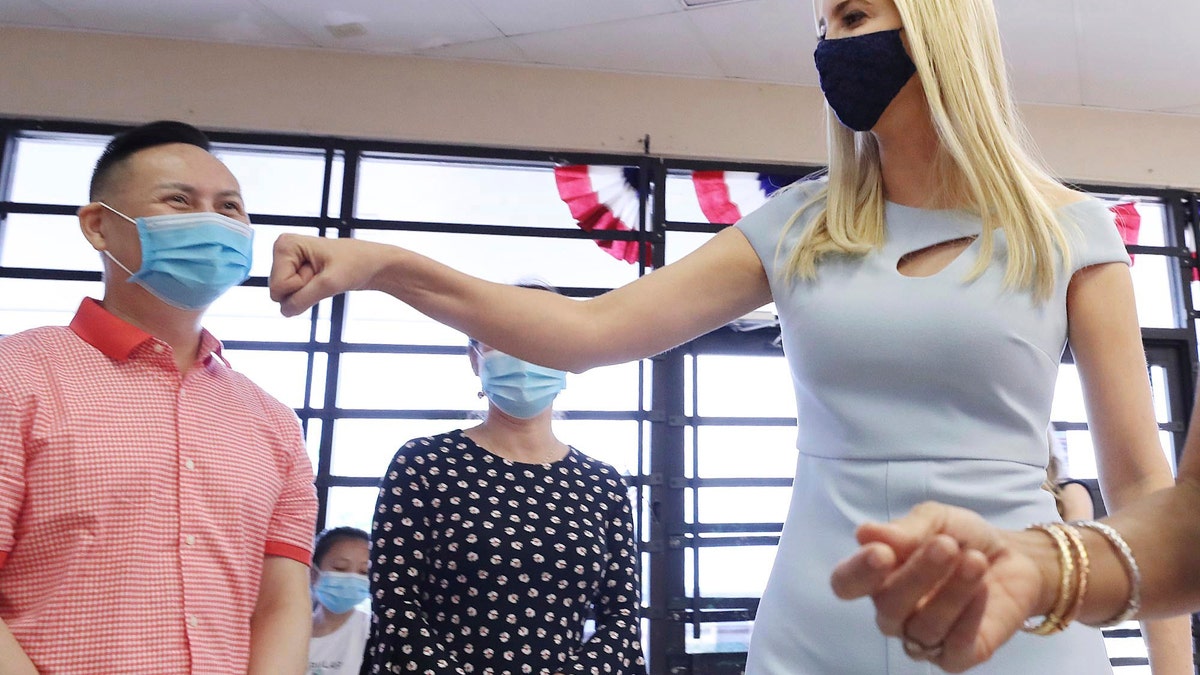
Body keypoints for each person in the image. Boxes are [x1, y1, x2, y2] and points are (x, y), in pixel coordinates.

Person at [266, 0, 1191, 672]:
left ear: (937, 28)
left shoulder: (1069, 231)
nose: (830, 44)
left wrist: (1171, 667)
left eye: (854, 16)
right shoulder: (800, 226)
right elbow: (588, 330)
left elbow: (1144, 491)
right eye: (822, 25)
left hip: (1014, 618)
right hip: (816, 624)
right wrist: (386, 266)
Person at [0, 121, 319, 674]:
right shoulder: (16, 375)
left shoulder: (272, 422)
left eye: (228, 206)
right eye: (179, 200)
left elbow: (281, 604)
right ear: (98, 226)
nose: (211, 221)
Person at [359, 294, 646, 674]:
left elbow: (622, 620)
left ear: (570, 356)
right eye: (504, 337)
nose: (523, 352)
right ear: (474, 358)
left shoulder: (603, 485)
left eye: (541, 337)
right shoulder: (424, 463)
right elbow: (395, 605)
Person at [830, 389, 1200, 674]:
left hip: (1039, 621)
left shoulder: (1070, 491)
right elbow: (1189, 517)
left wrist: (1046, 568)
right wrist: (1039, 567)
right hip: (831, 607)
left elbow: (1173, 510)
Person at [307, 527, 371, 675]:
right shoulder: (290, 631)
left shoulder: (371, 631)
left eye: (364, 572)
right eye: (340, 568)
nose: (352, 578)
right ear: (314, 574)